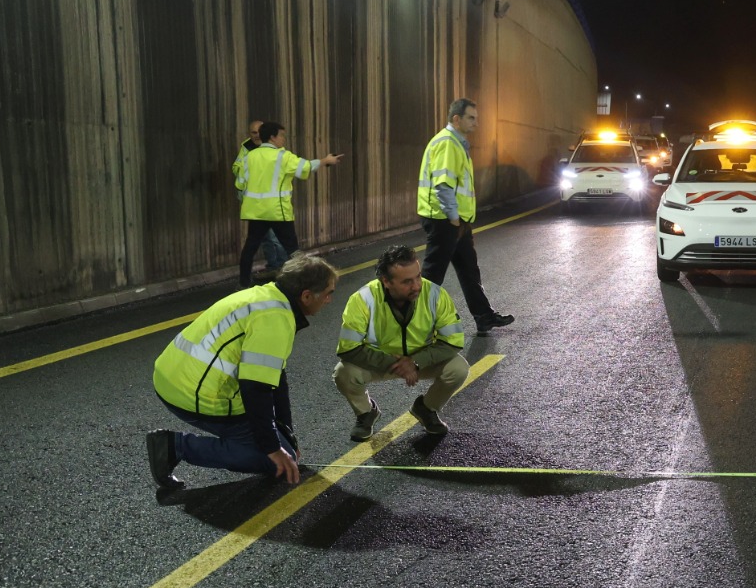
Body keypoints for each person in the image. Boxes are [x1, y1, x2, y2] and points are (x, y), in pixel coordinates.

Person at [146, 254, 339, 493]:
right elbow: (256, 388)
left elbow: (276, 378)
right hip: (193, 393)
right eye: (329, 293)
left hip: (172, 375)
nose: (330, 299)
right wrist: (273, 448)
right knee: (274, 459)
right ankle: (175, 446)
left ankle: (273, 444)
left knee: (283, 446)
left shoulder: (266, 296)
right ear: (307, 296)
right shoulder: (275, 320)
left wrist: (286, 433)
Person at [333, 244, 469, 440]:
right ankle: (366, 413)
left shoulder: (435, 295)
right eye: (407, 281)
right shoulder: (362, 299)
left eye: (418, 277)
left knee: (458, 369)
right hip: (379, 362)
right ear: (386, 281)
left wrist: (415, 362)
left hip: (420, 362)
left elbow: (453, 341)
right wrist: (393, 363)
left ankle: (426, 408)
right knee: (343, 373)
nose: (416, 286)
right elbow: (348, 349)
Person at [418, 98, 514, 332]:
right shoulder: (448, 143)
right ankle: (416, 324)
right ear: (456, 119)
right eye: (471, 117)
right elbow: (443, 184)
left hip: (456, 220)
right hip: (444, 219)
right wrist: (452, 217)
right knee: (433, 275)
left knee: (469, 269)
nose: (476, 123)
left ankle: (484, 316)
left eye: (476, 118)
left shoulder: (457, 143)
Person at [236, 121, 343, 289]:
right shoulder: (282, 156)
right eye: (282, 136)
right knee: (293, 250)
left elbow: (240, 183)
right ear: (272, 137)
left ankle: (243, 284)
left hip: (255, 211)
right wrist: (325, 160)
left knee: (250, 248)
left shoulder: (249, 156)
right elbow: (304, 168)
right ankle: (306, 281)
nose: (283, 139)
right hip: (278, 211)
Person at [233, 119, 286, 274]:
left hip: (271, 203)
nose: (256, 135)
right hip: (254, 203)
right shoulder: (246, 148)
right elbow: (236, 168)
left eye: (259, 132)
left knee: (275, 237)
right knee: (266, 238)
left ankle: (283, 268)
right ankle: (274, 267)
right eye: (253, 132)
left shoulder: (274, 148)